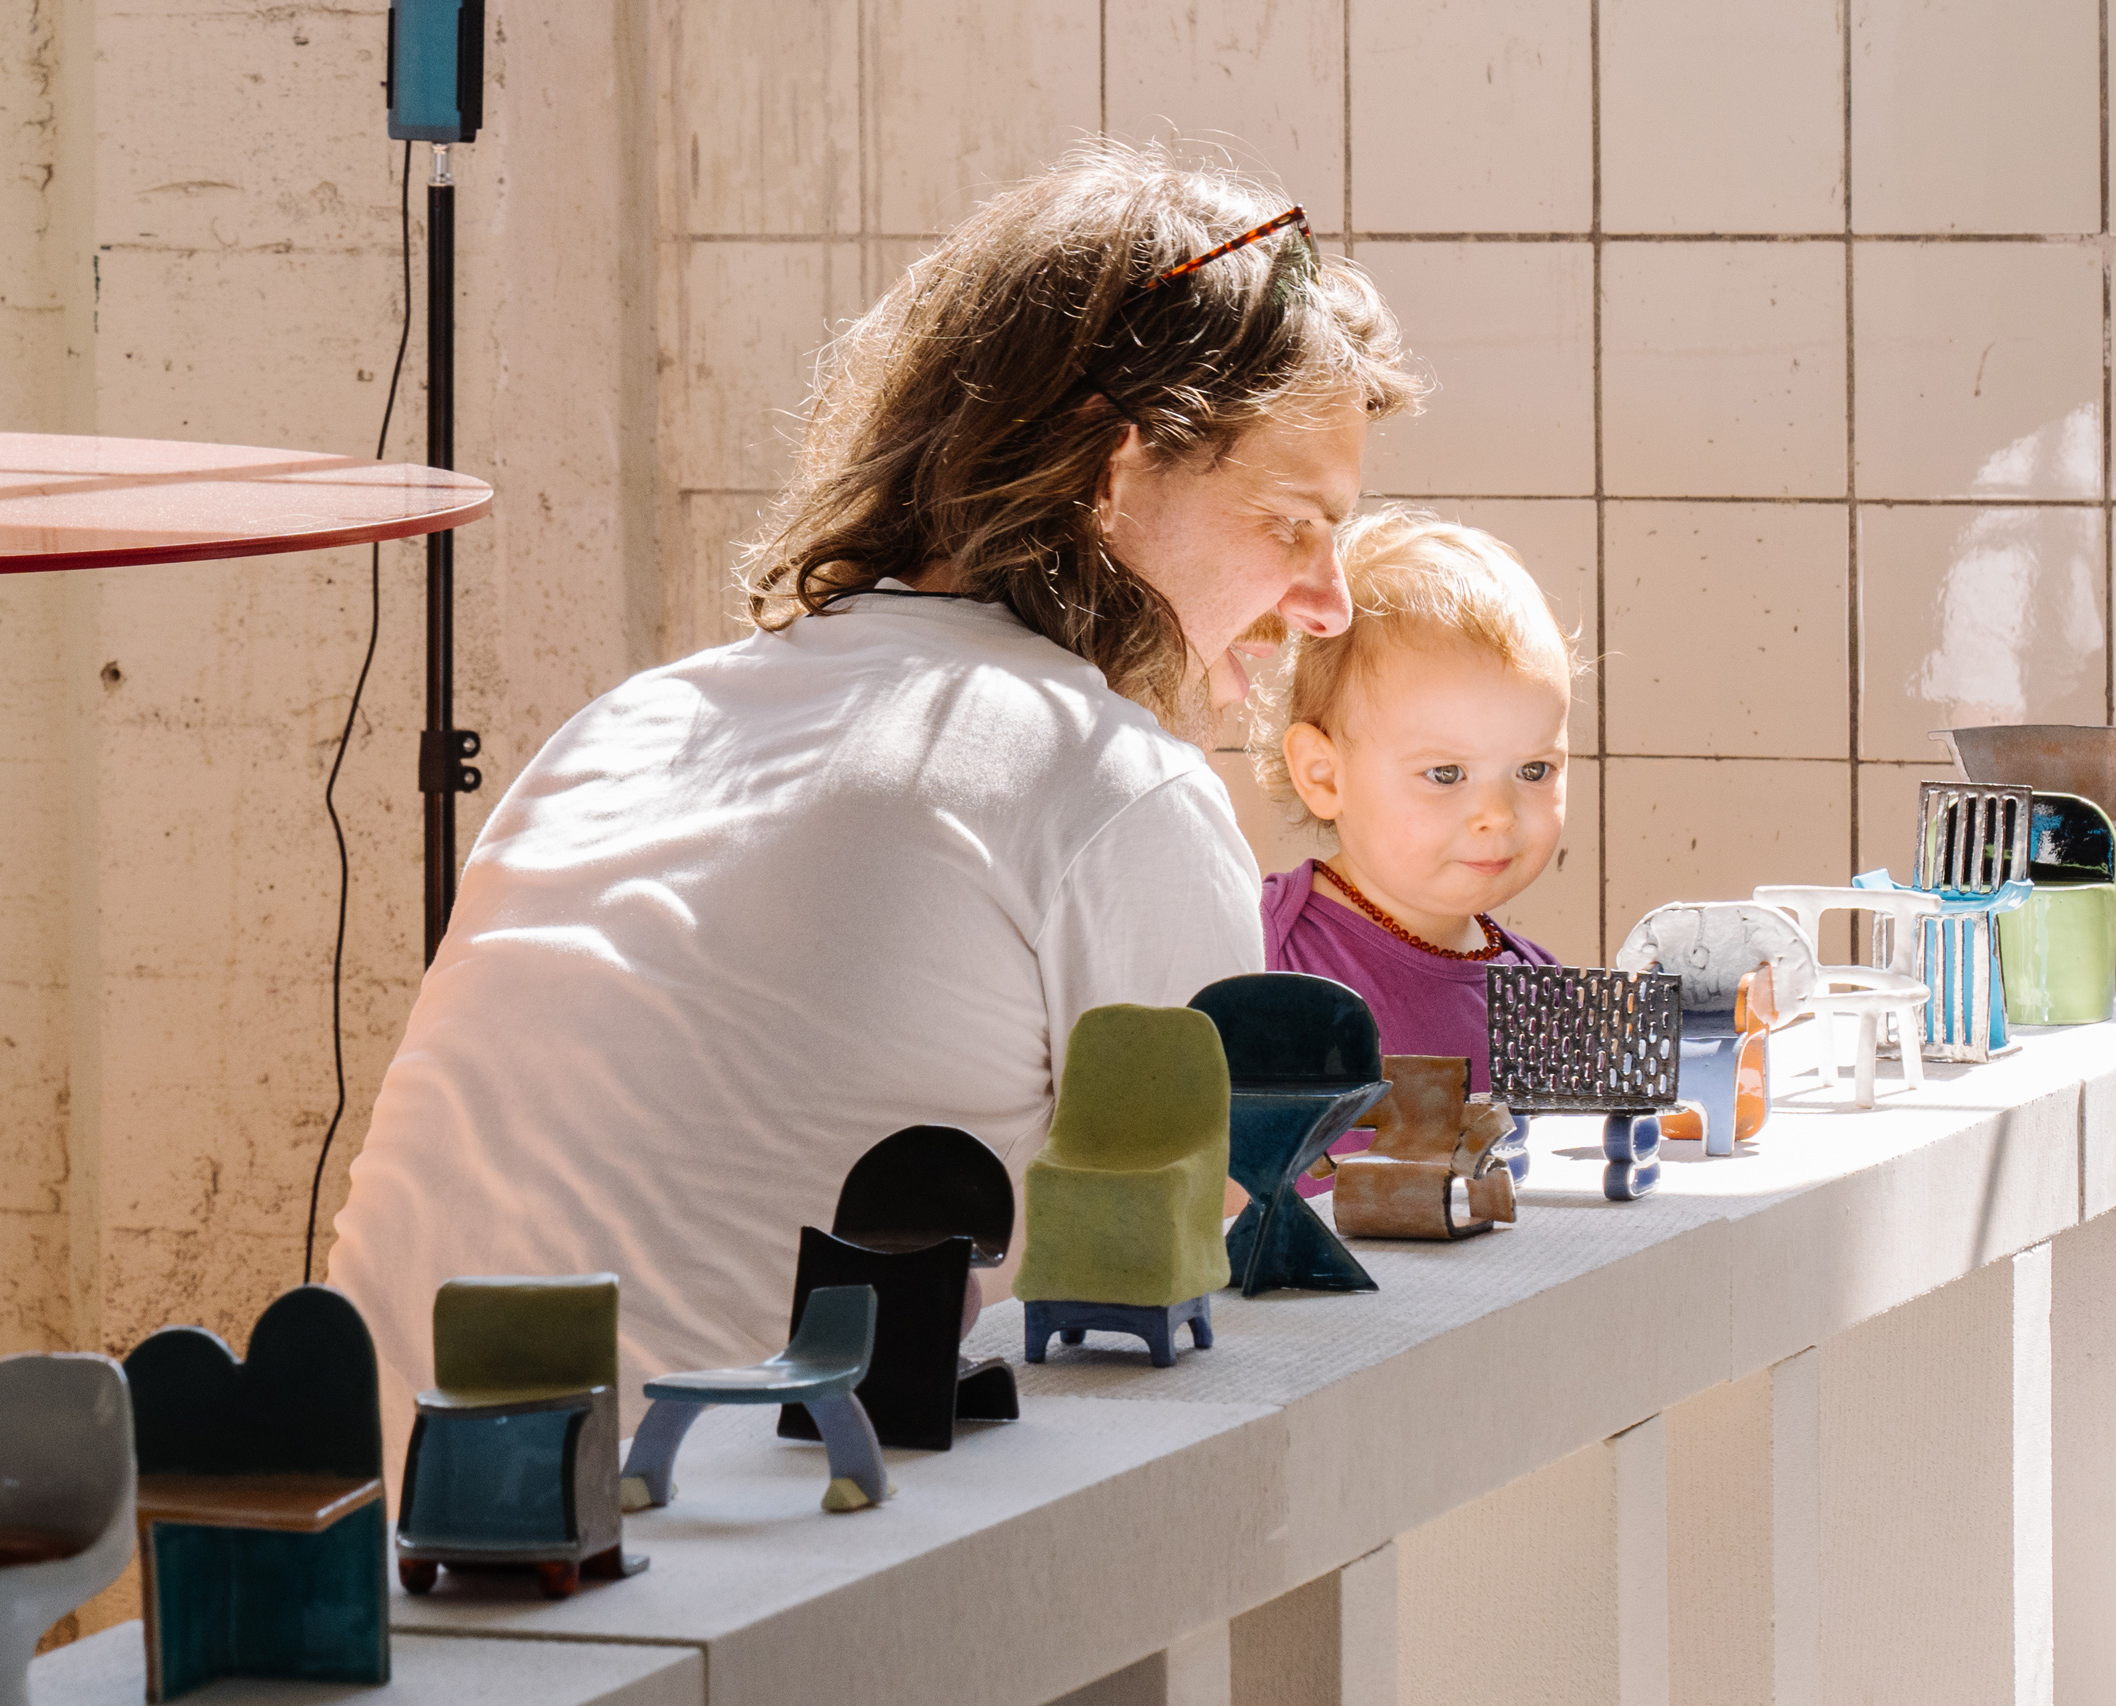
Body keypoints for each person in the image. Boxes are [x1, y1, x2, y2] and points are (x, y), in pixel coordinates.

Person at [329, 143, 1422, 1420]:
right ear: (1111, 471)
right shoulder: (1109, 786)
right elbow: (1194, 1247)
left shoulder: (626, 723)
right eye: (1293, 522)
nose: (1328, 602)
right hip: (756, 1515)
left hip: (395, 1505)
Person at [1247, 510, 1574, 1189]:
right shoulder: (1261, 953)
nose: (1497, 814)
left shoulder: (1543, 992)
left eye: (1534, 770)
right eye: (1446, 774)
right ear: (1324, 775)